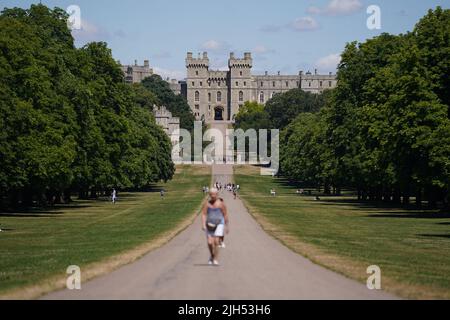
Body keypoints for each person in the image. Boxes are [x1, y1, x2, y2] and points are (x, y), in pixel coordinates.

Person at [202, 188, 229, 265]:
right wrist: (203, 224)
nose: (212, 196)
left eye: (214, 194)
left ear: (217, 194)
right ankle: (212, 255)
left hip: (219, 224)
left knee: (216, 241)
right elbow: (204, 214)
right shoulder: (207, 204)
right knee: (210, 242)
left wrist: (227, 226)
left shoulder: (221, 204)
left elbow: (225, 214)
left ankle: (215, 259)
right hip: (209, 224)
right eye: (211, 194)